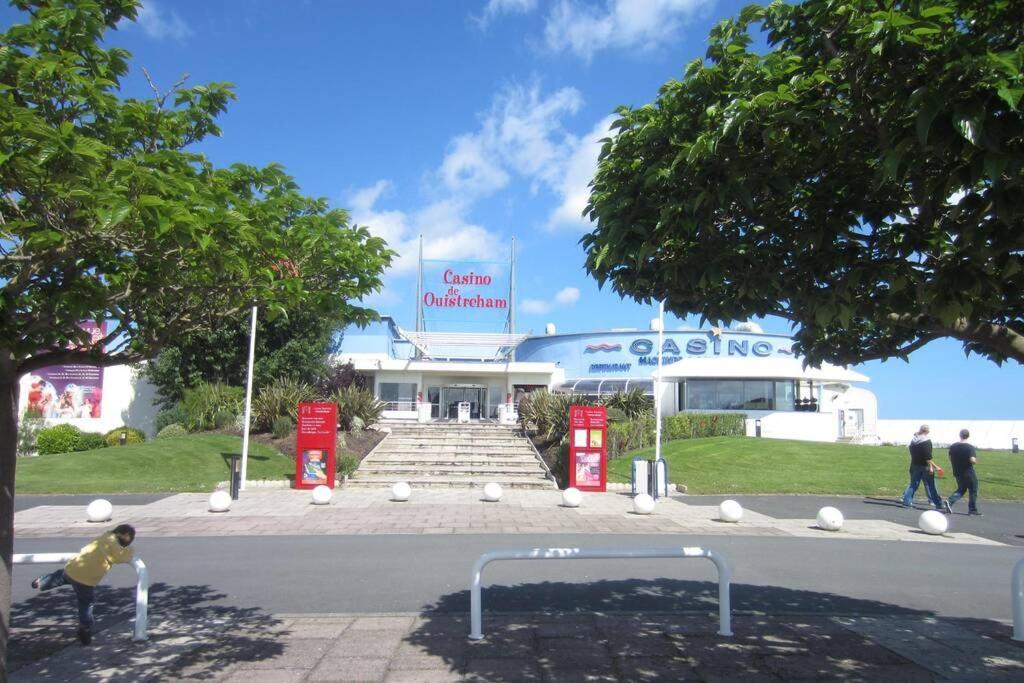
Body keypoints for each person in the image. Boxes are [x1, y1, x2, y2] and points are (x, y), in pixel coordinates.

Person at [31, 524, 136, 644]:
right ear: (126, 537)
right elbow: (121, 558)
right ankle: (85, 628)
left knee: (59, 577)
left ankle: (40, 583)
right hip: (86, 580)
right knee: (86, 603)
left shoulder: (105, 536)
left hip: (73, 568)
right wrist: (130, 550)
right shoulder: (115, 546)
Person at [901, 424, 944, 510]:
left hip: (914, 464)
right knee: (931, 485)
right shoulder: (926, 441)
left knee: (913, 484)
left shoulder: (913, 441)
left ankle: (906, 502)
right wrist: (934, 467)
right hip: (925, 466)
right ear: (928, 431)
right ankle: (938, 504)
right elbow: (927, 457)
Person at [944, 429, 981, 516]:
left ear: (960, 435)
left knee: (961, 489)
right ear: (968, 436)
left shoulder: (953, 446)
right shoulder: (969, 447)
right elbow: (972, 460)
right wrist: (976, 461)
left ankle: (950, 501)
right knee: (973, 490)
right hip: (968, 471)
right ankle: (972, 509)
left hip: (957, 471)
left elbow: (950, 457)